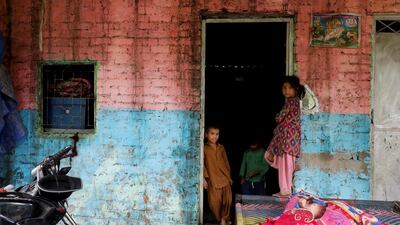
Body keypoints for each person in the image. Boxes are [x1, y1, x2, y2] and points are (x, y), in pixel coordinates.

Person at [264, 76, 305, 197]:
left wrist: (278, 116)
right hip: (287, 141)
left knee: (285, 167)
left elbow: (279, 117)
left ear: (296, 89)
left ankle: (285, 191)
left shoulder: (292, 102)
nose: (286, 90)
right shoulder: (294, 102)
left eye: (289, 88)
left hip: (288, 141)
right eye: (284, 87)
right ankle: (285, 190)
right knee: (284, 165)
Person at [203, 125, 232, 225]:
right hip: (213, 179)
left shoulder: (221, 147)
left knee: (227, 201)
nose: (214, 136)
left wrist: (229, 176)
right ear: (206, 135)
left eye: (217, 134)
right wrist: (203, 178)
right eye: (212, 134)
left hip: (224, 178)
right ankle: (220, 219)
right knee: (214, 202)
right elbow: (201, 164)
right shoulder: (204, 148)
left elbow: (226, 162)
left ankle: (224, 219)